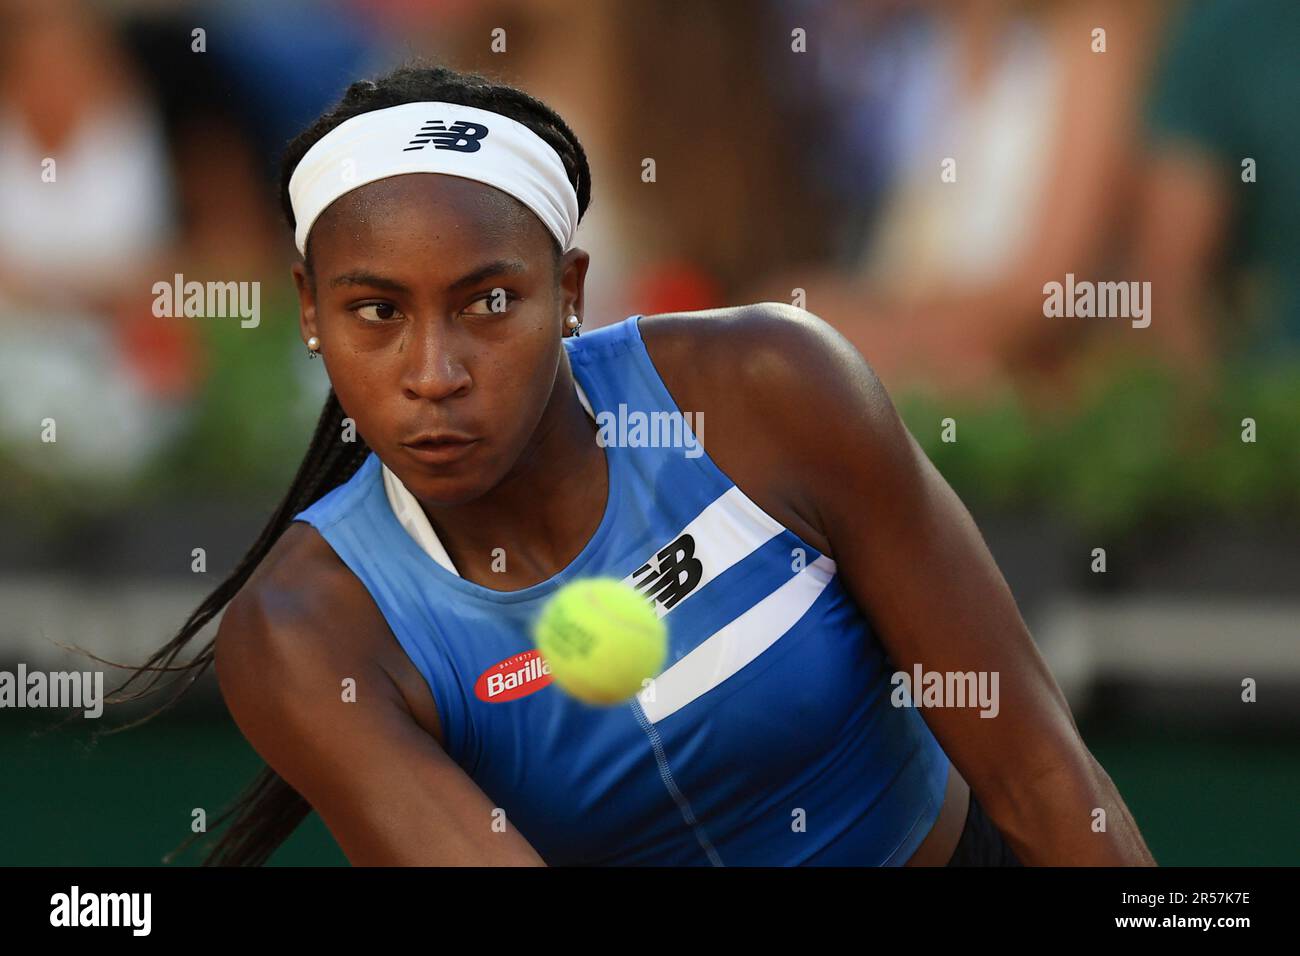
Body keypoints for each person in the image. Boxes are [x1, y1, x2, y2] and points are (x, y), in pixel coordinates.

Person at [116, 62, 1154, 867]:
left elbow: (1043, 781)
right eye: (376, 312)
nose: (433, 373)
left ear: (568, 291)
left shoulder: (774, 388)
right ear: (309, 310)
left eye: (488, 303)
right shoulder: (303, 632)